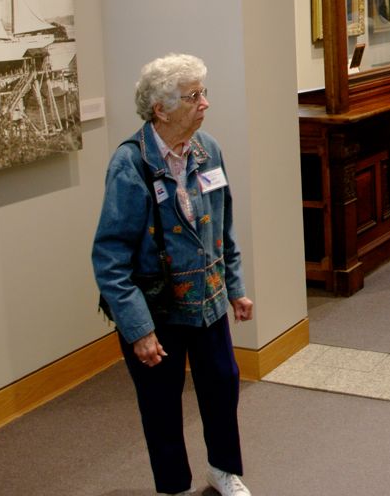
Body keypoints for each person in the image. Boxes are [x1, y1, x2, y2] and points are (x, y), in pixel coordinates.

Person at [93, 54, 254, 496]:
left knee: (222, 385)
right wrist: (138, 330)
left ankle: (223, 469)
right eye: (194, 95)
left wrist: (235, 287)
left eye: (204, 92)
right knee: (161, 405)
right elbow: (109, 257)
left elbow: (224, 227)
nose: (205, 103)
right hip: (157, 308)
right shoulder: (131, 164)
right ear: (161, 109)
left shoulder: (209, 150)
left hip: (208, 300)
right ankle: (174, 487)